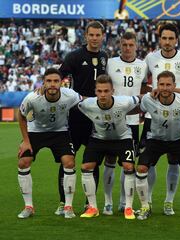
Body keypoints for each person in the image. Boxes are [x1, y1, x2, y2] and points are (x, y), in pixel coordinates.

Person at [140, 23, 180, 215]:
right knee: (149, 162)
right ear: (160, 39)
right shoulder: (150, 58)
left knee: (174, 161)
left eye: (170, 38)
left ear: (176, 40)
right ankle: (147, 201)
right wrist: (152, 92)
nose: (167, 42)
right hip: (153, 115)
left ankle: (169, 201)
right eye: (164, 38)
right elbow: (142, 85)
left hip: (177, 114)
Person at [56, 21, 108, 215]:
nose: (94, 38)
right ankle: (63, 203)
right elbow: (58, 75)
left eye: (98, 35)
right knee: (68, 159)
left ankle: (90, 203)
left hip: (97, 117)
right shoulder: (74, 56)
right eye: (91, 35)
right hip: (76, 116)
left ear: (103, 36)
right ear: (85, 36)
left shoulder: (104, 57)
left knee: (92, 161)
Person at [135, 71, 180, 221]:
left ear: (174, 86)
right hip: (156, 139)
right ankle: (145, 206)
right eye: (162, 84)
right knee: (142, 168)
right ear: (157, 85)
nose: (165, 88)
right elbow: (140, 108)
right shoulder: (148, 99)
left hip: (179, 139)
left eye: (168, 85)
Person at [17, 68, 80, 219]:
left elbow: (84, 100)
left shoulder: (70, 95)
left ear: (61, 83)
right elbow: (21, 115)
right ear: (43, 83)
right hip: (35, 132)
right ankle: (29, 206)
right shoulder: (32, 98)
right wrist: (26, 141)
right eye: (49, 81)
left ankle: (68, 206)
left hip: (60, 132)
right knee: (23, 162)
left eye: (56, 81)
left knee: (69, 163)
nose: (52, 84)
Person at [78, 74, 141, 219]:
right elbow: (73, 99)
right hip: (99, 138)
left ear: (113, 91)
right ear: (95, 92)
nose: (103, 94)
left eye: (106, 91)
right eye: (99, 91)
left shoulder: (124, 102)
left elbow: (141, 98)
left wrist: (153, 92)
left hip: (122, 138)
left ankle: (129, 208)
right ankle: (93, 207)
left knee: (129, 167)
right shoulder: (87, 104)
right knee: (86, 167)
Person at [103, 32, 149, 215]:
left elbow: (144, 87)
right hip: (111, 119)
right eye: (124, 45)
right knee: (109, 160)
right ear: (119, 45)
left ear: (136, 45)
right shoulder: (111, 63)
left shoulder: (143, 65)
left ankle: (124, 202)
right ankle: (107, 202)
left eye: (131, 45)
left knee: (128, 162)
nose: (127, 48)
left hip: (132, 120)